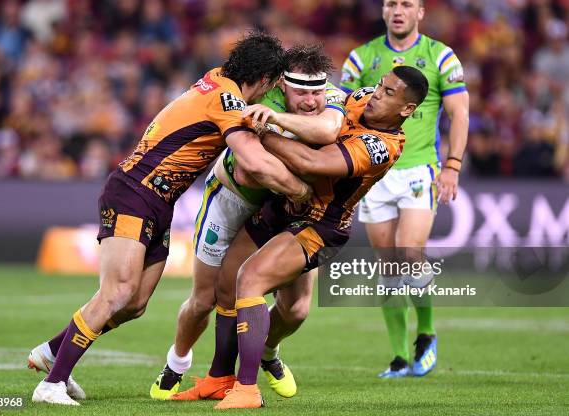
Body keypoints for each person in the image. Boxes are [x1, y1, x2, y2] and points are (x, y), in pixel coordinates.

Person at [27, 31, 310, 406]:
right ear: (263, 81)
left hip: (159, 202)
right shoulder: (227, 99)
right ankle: (52, 383)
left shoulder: (216, 79)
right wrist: (302, 191)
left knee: (135, 303)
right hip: (135, 194)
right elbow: (253, 161)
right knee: (117, 292)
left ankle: (51, 352)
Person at [214, 66, 429, 409]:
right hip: (283, 202)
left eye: (389, 93)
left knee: (285, 304)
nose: (376, 94)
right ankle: (219, 379)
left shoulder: (381, 147)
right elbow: (321, 115)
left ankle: (251, 382)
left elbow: (311, 160)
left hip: (319, 223)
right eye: (380, 85)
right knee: (228, 285)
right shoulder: (357, 99)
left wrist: (260, 128)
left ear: (407, 110)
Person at [150, 44, 346, 400]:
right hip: (231, 199)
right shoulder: (262, 98)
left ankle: (267, 351)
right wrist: (300, 185)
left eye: (317, 93)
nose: (310, 101)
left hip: (283, 206)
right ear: (281, 86)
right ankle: (177, 362)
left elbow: (330, 131)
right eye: (301, 92)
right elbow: (247, 172)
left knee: (297, 309)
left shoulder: (328, 98)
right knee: (205, 298)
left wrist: (278, 127)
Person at [340, 0, 469, 378]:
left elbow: (459, 112)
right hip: (374, 170)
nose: (398, 10)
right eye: (391, 3)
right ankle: (399, 356)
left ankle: (426, 332)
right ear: (383, 11)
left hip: (417, 169)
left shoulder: (441, 56)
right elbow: (342, 107)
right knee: (389, 264)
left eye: (406, 4)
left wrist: (453, 165)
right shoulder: (360, 58)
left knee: (411, 253)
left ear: (420, 12)